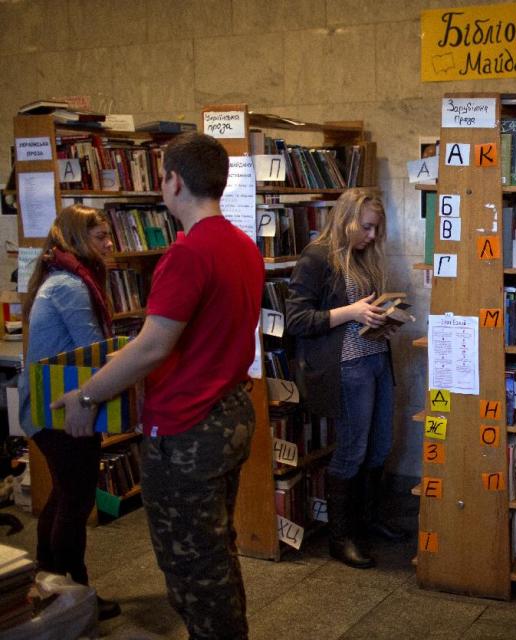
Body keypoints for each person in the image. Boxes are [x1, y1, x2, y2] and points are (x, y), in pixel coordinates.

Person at [54, 133, 265, 639]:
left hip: (186, 429)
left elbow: (152, 346)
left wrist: (87, 395)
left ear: (172, 182)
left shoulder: (187, 254)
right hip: (230, 413)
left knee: (191, 565)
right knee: (216, 548)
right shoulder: (241, 245)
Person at [286, 188, 404, 570]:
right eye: (367, 227)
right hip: (347, 366)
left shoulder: (361, 256)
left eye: (376, 229)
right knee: (352, 448)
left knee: (380, 443)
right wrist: (351, 312)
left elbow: (360, 314)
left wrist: (382, 319)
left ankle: (368, 520)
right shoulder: (317, 257)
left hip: (375, 359)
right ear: (347, 219)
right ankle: (342, 537)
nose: (371, 236)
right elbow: (297, 320)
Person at [17, 204, 120, 620]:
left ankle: (49, 583)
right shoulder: (70, 287)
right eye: (101, 238)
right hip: (61, 410)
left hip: (48, 407)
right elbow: (93, 348)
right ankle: (77, 596)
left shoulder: (63, 278)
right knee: (75, 502)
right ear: (80, 240)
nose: (110, 244)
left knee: (63, 495)